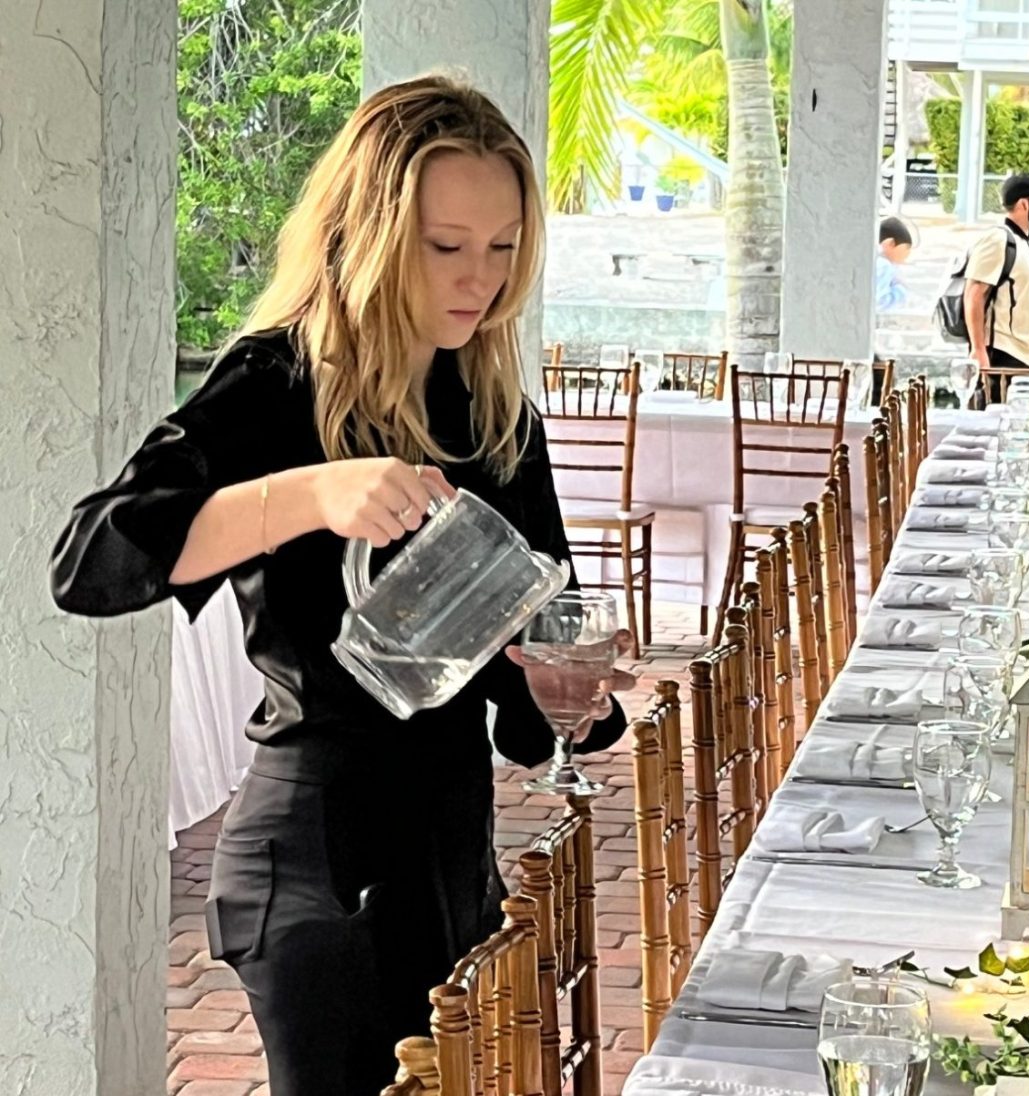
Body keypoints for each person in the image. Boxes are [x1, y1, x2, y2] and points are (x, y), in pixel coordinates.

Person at [48, 75, 632, 1096]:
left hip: (453, 858)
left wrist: (565, 701)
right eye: (445, 246)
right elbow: (94, 558)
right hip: (320, 865)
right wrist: (314, 494)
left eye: (502, 248)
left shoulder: (493, 414)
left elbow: (527, 670)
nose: (479, 279)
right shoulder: (278, 384)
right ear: (369, 232)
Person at [964, 171, 1029, 400]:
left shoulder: (1028, 245)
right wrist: (978, 349)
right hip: (1001, 355)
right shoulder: (998, 239)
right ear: (1024, 203)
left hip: (1024, 359)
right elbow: (974, 294)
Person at [876, 215, 914, 312]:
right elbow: (880, 302)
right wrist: (901, 290)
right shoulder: (884, 265)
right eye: (906, 248)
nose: (908, 254)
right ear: (891, 243)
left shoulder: (877, 261)